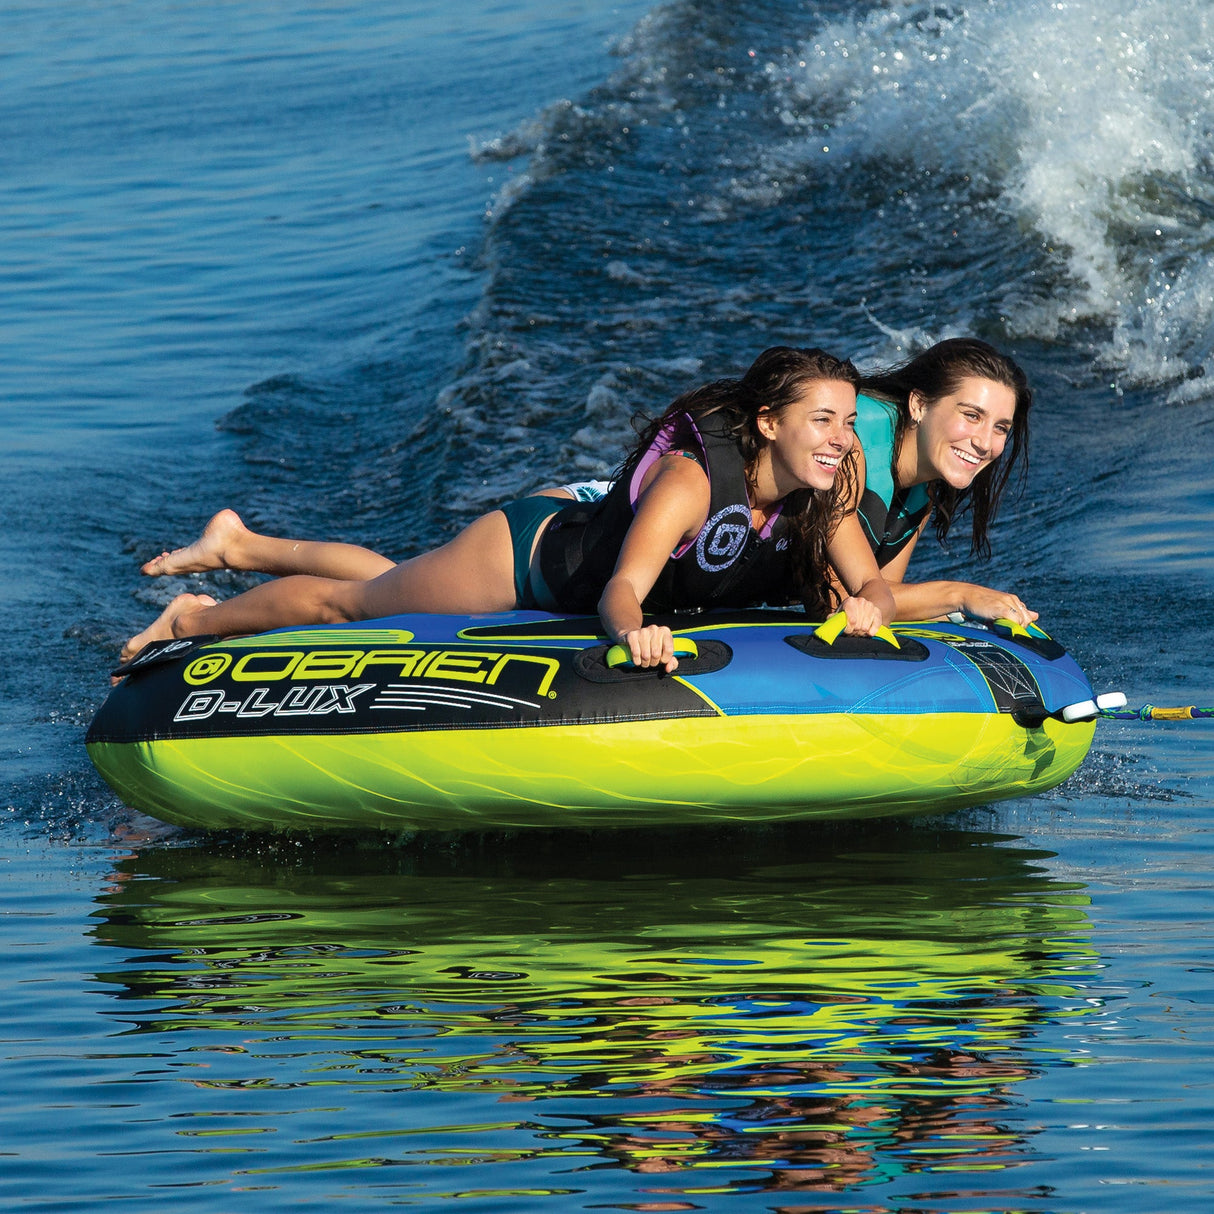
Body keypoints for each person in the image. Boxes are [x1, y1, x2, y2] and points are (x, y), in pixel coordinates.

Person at [123, 346, 895, 672]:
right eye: (822, 421)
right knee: (354, 606)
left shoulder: (824, 492)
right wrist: (638, 637)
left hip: (582, 536)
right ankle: (189, 620)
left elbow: (874, 585)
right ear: (769, 424)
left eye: (850, 422)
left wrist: (871, 609)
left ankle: (238, 543)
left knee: (397, 579)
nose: (841, 439)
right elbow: (621, 591)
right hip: (531, 562)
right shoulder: (693, 482)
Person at [850, 338, 1036, 626]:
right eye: (972, 415)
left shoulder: (924, 482)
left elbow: (881, 594)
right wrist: (960, 596)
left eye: (1000, 428)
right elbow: (838, 597)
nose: (985, 443)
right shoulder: (849, 444)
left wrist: (960, 610)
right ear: (919, 404)